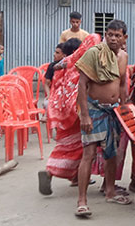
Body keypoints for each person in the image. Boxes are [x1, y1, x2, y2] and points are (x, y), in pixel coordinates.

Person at [74, 20, 130, 217]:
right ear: (105, 35)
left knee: (111, 153)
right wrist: (85, 115)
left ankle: (110, 191)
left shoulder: (123, 57)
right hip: (94, 109)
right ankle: (82, 201)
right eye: (110, 34)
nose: (113, 38)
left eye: (117, 35)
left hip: (113, 111)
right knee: (88, 153)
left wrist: (124, 107)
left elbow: (122, 84)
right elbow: (82, 84)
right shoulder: (93, 53)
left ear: (125, 38)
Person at [38, 34, 99, 195]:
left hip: (62, 112)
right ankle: (55, 172)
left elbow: (57, 87)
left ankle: (66, 175)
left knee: (64, 146)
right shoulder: (80, 67)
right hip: (77, 114)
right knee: (81, 147)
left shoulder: (63, 66)